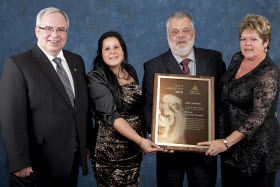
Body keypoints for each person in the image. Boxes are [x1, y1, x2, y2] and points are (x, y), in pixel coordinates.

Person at [0, 7, 91, 186]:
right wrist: (20, 161)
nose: (54, 34)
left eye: (61, 29)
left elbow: (81, 106)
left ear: (67, 32)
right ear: (37, 31)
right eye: (48, 28)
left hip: (70, 161)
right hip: (35, 166)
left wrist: (85, 144)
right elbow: (11, 118)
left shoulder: (76, 61)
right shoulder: (18, 64)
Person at [141, 12, 226, 187]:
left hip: (205, 152)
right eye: (175, 31)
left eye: (185, 30)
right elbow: (147, 108)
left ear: (193, 33)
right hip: (169, 153)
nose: (181, 36)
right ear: (167, 36)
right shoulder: (153, 66)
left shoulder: (214, 59)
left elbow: (224, 100)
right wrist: (159, 135)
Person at [198, 14, 280, 187]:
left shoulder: (269, 73)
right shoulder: (237, 58)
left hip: (256, 152)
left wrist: (226, 143)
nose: (247, 43)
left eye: (253, 39)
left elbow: (257, 117)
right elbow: (226, 92)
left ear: (266, 42)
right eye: (243, 39)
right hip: (232, 148)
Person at [87, 31, 162, 186]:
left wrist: (143, 136)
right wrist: (141, 140)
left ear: (123, 50)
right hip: (109, 154)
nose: (112, 52)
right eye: (107, 49)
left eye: (116, 47)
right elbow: (112, 115)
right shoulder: (95, 77)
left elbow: (137, 110)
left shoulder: (130, 70)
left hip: (133, 150)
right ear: (101, 54)